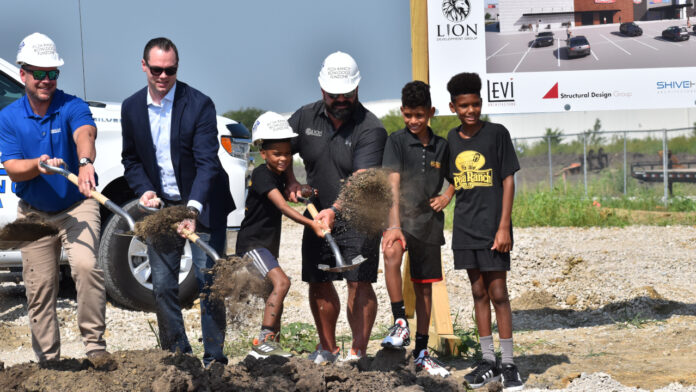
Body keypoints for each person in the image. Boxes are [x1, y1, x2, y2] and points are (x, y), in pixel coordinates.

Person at [120, 37, 233, 367]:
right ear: (144, 67)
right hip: (162, 206)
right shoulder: (131, 107)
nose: (163, 76)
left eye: (170, 70)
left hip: (203, 202)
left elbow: (207, 163)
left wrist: (192, 210)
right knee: (164, 285)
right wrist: (144, 189)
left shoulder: (198, 104)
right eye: (156, 70)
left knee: (208, 280)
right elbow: (131, 160)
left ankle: (215, 359)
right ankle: (180, 355)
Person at [0, 33, 108, 362]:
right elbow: (14, 169)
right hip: (34, 214)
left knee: (87, 267)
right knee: (39, 286)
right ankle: (49, 361)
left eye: (52, 73)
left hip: (77, 206)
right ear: (23, 75)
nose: (46, 80)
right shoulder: (9, 117)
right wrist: (38, 165)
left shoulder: (71, 105)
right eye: (39, 73)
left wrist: (86, 163)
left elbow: (85, 132)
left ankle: (95, 348)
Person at [285, 51, 388, 363]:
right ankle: (328, 350)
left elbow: (359, 180)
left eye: (347, 94)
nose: (341, 99)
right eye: (334, 95)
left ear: (357, 89)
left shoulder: (371, 128)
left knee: (358, 280)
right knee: (319, 280)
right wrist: (291, 181)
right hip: (317, 215)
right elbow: (278, 147)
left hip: (360, 214)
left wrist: (334, 209)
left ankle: (358, 352)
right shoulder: (304, 118)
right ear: (322, 90)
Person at [445, 72, 524, 391]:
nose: (471, 111)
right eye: (464, 106)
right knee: (477, 293)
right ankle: (488, 360)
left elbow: (508, 179)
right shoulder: (451, 139)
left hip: (493, 230)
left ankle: (508, 363)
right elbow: (453, 176)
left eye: (475, 104)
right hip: (464, 229)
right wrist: (446, 196)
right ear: (453, 107)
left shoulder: (496, 134)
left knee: (499, 294)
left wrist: (504, 226)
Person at [237, 111, 329, 359]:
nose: (284, 159)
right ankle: (265, 341)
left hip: (267, 246)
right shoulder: (261, 175)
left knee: (273, 293)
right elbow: (283, 207)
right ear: (263, 153)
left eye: (288, 153)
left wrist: (306, 190)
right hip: (252, 245)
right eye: (277, 154)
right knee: (282, 283)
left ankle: (270, 349)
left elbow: (294, 194)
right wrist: (311, 223)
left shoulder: (277, 175)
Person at [380, 81, 454, 377]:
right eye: (408, 115)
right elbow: (393, 185)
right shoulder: (396, 141)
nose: (413, 121)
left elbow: (457, 176)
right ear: (402, 112)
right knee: (390, 253)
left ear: (431, 113)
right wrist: (394, 225)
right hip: (402, 218)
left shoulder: (443, 146)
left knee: (425, 288)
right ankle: (400, 322)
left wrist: (447, 195)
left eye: (419, 115)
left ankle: (422, 352)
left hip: (429, 222)